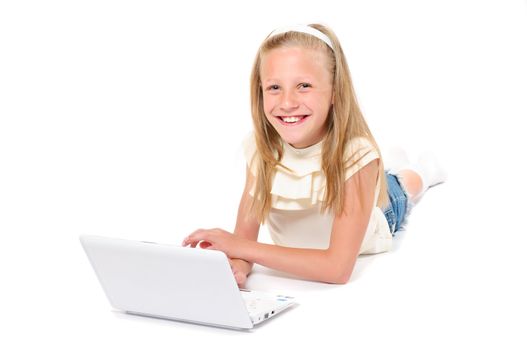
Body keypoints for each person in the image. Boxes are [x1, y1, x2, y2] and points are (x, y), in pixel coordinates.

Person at [182, 24, 446, 285]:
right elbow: (244, 243)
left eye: (304, 85)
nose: (287, 103)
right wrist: (237, 266)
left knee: (401, 187)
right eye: (274, 88)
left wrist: (240, 248)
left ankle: (421, 171)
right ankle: (392, 168)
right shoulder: (261, 147)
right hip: (308, 239)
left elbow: (337, 269)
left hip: (376, 222)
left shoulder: (356, 155)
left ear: (334, 92)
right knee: (388, 179)